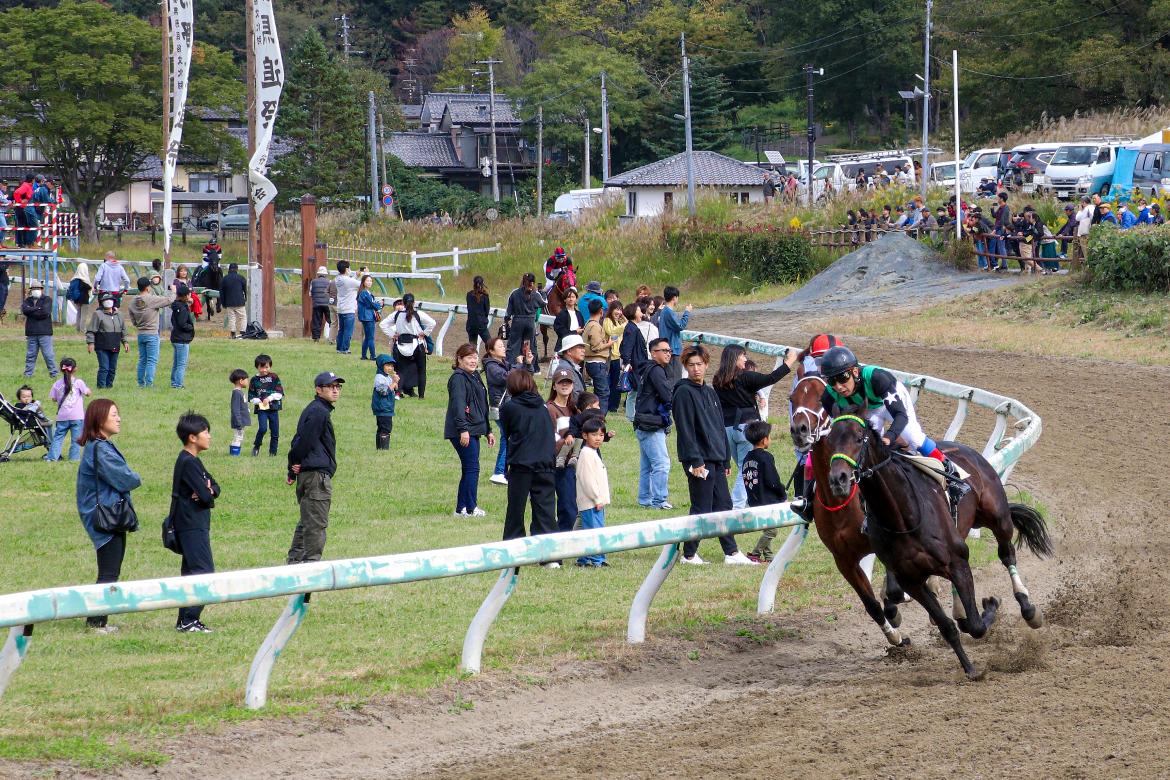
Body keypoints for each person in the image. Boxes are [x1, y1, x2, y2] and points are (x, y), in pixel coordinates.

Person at [818, 345, 970, 516]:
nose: (838, 386)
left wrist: (890, 437)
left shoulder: (877, 378)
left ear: (854, 371)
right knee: (867, 453)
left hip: (890, 405)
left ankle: (950, 472)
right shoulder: (828, 397)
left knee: (913, 438)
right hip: (867, 411)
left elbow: (900, 416)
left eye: (842, 378)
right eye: (832, 381)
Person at [673, 344, 757, 565]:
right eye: (691, 365)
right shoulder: (683, 392)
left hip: (716, 457)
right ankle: (689, 554)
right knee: (701, 506)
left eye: (699, 364)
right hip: (698, 459)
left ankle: (731, 552)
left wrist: (725, 456)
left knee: (724, 504)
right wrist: (695, 460)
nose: (696, 369)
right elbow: (686, 429)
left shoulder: (710, 392)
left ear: (707, 365)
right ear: (685, 366)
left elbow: (719, 426)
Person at [76, 399, 142, 632]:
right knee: (108, 572)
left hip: (110, 516)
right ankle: (95, 623)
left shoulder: (99, 445)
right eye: (113, 414)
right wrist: (135, 476)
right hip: (106, 518)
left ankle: (99, 620)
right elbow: (127, 479)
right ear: (100, 419)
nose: (118, 418)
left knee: (110, 571)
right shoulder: (100, 448)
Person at [712, 344, 799, 509]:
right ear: (735, 358)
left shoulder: (718, 380)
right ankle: (736, 506)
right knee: (746, 468)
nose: (745, 359)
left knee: (743, 467)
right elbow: (771, 378)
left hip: (727, 429)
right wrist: (789, 362)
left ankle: (745, 501)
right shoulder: (745, 377)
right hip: (746, 428)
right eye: (743, 356)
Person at [286, 371, 343, 564]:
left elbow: (298, 439)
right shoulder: (319, 411)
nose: (335, 390)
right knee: (316, 524)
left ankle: (294, 563)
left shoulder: (316, 409)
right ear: (318, 390)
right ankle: (310, 567)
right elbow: (303, 441)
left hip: (310, 474)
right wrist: (294, 463)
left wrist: (293, 466)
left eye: (338, 387)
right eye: (331, 387)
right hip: (315, 477)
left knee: (307, 521)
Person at [170, 412, 220, 633]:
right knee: (203, 571)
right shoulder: (188, 463)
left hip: (193, 522)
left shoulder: (193, 461)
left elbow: (215, 488)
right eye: (205, 432)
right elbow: (208, 497)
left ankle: (184, 621)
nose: (209, 436)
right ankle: (190, 619)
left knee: (190, 573)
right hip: (190, 524)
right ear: (192, 437)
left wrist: (208, 489)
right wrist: (207, 491)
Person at [499, 370, 558, 550]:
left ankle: (514, 548)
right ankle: (548, 552)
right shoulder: (543, 407)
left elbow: (507, 432)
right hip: (545, 463)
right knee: (546, 510)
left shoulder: (509, 407)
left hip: (521, 463)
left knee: (516, 509)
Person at [445, 343, 494, 516]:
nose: (473, 361)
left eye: (475, 357)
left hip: (475, 429)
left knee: (469, 468)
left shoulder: (475, 376)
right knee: (472, 468)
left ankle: (461, 508)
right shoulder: (458, 378)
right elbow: (458, 406)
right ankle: (471, 508)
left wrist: (488, 430)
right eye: (469, 357)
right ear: (459, 359)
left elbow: (482, 406)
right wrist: (463, 430)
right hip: (464, 430)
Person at [633, 337, 675, 510]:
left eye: (669, 351)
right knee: (661, 464)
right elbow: (667, 396)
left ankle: (645, 499)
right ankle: (659, 500)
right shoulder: (656, 370)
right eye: (664, 351)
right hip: (650, 424)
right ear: (653, 353)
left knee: (648, 465)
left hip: (642, 422)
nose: (668, 354)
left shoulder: (647, 369)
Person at [741, 421, 788, 563]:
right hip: (768, 501)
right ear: (764, 440)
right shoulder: (766, 457)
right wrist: (782, 493)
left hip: (755, 500)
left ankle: (769, 557)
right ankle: (755, 553)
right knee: (771, 530)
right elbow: (772, 480)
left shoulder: (747, 458)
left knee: (768, 528)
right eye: (770, 437)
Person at [483, 337, 527, 485]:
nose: (504, 348)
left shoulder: (502, 364)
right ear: (491, 351)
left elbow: (518, 373)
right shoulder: (491, 366)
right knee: (506, 438)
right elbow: (508, 378)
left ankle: (503, 472)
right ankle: (499, 471)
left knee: (508, 437)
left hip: (507, 407)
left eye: (503, 345)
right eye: (500, 346)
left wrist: (526, 362)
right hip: (501, 408)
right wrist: (520, 364)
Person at [575, 417, 611, 568]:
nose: (598, 438)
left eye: (601, 435)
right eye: (594, 435)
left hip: (594, 502)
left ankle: (583, 559)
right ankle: (596, 559)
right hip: (591, 502)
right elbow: (587, 480)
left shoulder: (592, 453)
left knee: (587, 530)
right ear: (585, 436)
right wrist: (597, 499)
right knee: (595, 531)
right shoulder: (586, 454)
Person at [546, 367, 579, 532]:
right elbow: (549, 436)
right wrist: (566, 442)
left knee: (574, 506)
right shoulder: (549, 409)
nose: (564, 386)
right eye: (561, 382)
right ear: (554, 386)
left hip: (574, 464)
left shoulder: (574, 409)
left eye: (568, 382)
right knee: (567, 508)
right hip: (558, 465)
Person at [384, 293, 435, 398]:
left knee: (400, 371)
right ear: (414, 302)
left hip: (401, 345)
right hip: (417, 345)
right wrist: (424, 333)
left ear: (403, 303)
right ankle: (421, 396)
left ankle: (398, 393)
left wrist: (392, 335)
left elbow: (383, 324)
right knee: (421, 371)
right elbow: (432, 323)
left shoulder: (397, 314)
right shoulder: (418, 313)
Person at [127, 276, 175, 388]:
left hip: (141, 334)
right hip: (152, 334)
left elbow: (133, 320)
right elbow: (169, 300)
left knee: (142, 359)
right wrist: (174, 291)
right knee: (151, 360)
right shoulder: (151, 299)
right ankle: (149, 383)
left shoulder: (133, 302)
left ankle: (140, 383)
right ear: (148, 288)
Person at [46, 357, 90, 462]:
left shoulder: (57, 384)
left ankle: (52, 458)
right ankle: (74, 458)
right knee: (76, 439)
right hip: (77, 416)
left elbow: (53, 398)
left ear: (61, 369)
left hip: (62, 417)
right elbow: (88, 393)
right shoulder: (79, 382)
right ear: (75, 369)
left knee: (57, 438)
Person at [86, 294, 127, 389]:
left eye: (110, 300)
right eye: (105, 300)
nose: (108, 302)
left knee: (112, 369)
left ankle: (109, 386)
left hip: (115, 345)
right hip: (102, 346)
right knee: (104, 367)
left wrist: (125, 342)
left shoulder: (119, 315)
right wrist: (91, 343)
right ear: (101, 302)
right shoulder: (97, 314)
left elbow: (123, 330)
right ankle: (101, 387)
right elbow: (91, 330)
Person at [504, 272, 545, 366]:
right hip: (530, 321)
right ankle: (531, 365)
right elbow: (543, 303)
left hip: (517, 321)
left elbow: (509, 311)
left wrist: (506, 320)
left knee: (514, 343)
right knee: (530, 344)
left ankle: (511, 364)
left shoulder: (515, 293)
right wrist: (542, 294)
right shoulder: (535, 294)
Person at [581, 299, 613, 413]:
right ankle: (600, 417)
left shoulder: (588, 323)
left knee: (599, 391)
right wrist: (609, 344)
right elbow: (595, 346)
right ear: (601, 311)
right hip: (596, 362)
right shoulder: (595, 326)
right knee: (603, 392)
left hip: (592, 363)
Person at [248, 353, 284, 456]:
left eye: (266, 367)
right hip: (262, 409)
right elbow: (251, 396)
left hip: (274, 408)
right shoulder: (254, 380)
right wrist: (258, 401)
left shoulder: (274, 377)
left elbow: (279, 393)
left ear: (270, 366)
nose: (264, 370)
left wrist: (269, 398)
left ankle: (273, 453)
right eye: (261, 367)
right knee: (263, 428)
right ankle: (257, 446)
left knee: (275, 432)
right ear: (257, 367)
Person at [21, 279, 57, 379]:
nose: (36, 290)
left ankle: (54, 374)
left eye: (38, 288)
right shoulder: (27, 300)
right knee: (30, 355)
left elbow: (45, 313)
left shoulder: (47, 299)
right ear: (31, 290)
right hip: (31, 332)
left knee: (48, 355)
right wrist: (37, 308)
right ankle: (28, 374)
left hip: (44, 332)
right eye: (34, 288)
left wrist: (31, 311)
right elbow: (25, 310)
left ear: (42, 289)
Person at [619, 301, 649, 423]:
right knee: (634, 392)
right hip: (635, 365)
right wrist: (627, 362)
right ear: (633, 313)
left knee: (635, 391)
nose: (641, 313)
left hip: (638, 364)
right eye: (638, 310)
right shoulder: (631, 328)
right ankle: (631, 417)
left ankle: (633, 415)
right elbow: (626, 347)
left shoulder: (633, 327)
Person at [658, 286, 692, 381]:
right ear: (674, 298)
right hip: (673, 350)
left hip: (667, 348)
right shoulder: (669, 312)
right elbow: (680, 326)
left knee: (671, 376)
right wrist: (687, 312)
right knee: (675, 378)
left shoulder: (664, 311)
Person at [169, 284, 195, 389]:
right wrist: (191, 327)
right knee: (181, 364)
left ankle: (174, 382)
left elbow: (173, 320)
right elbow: (182, 323)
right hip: (182, 339)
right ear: (185, 296)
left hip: (175, 337)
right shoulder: (182, 308)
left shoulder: (176, 306)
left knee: (176, 363)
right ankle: (178, 384)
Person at [333, 261, 361, 354]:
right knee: (348, 331)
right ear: (346, 269)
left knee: (341, 330)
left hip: (340, 308)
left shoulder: (338, 279)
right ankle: (345, 348)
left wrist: (356, 276)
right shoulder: (348, 280)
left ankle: (339, 348)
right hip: (349, 309)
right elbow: (362, 284)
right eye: (349, 268)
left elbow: (350, 282)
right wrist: (365, 274)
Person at [603, 301, 626, 413]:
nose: (618, 312)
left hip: (617, 356)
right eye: (616, 309)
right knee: (607, 381)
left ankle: (614, 406)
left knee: (616, 382)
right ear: (611, 310)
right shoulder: (607, 321)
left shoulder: (619, 322)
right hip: (609, 356)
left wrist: (624, 319)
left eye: (620, 309)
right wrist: (624, 324)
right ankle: (606, 404)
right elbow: (612, 332)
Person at [372, 354, 398, 451]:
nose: (390, 368)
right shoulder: (379, 377)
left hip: (387, 407)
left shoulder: (387, 377)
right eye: (387, 365)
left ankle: (380, 448)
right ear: (381, 366)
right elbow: (384, 391)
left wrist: (395, 381)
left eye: (391, 366)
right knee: (385, 428)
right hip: (383, 408)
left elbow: (395, 389)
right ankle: (383, 449)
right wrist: (394, 383)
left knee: (382, 428)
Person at [356, 274, 383, 361]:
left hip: (366, 316)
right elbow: (372, 304)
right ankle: (373, 355)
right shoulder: (364, 293)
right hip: (368, 317)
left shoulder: (365, 292)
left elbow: (371, 303)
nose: (369, 282)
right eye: (367, 280)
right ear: (363, 282)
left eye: (371, 281)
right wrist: (379, 305)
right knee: (370, 337)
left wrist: (376, 305)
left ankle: (364, 355)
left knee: (367, 337)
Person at [226, 368, 252, 456]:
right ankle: (234, 454)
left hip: (241, 421)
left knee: (239, 437)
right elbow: (235, 409)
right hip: (239, 422)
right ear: (241, 381)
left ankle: (235, 453)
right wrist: (239, 422)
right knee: (238, 437)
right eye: (246, 380)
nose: (248, 382)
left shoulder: (239, 392)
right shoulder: (237, 393)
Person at [551, 287, 582, 358]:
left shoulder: (579, 314)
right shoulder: (561, 314)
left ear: (576, 299)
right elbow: (559, 331)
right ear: (565, 300)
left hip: (577, 344)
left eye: (573, 297)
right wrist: (575, 332)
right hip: (564, 345)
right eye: (568, 297)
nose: (571, 299)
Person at [219, 263, 247, 338]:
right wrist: (245, 298)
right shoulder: (241, 278)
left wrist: (223, 303)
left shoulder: (224, 279)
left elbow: (221, 292)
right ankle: (242, 333)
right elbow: (245, 290)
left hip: (229, 302)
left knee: (231, 318)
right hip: (240, 302)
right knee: (242, 317)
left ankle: (233, 334)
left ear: (229, 269)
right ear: (237, 269)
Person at [555, 334, 587, 398]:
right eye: (580, 347)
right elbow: (572, 396)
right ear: (569, 351)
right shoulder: (565, 368)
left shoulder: (570, 366)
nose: (583, 350)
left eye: (583, 347)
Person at [66, 263, 93, 333]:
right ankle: (82, 329)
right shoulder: (84, 281)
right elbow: (89, 287)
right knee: (84, 315)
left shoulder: (74, 279)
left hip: (77, 299)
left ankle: (78, 328)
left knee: (78, 314)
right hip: (84, 299)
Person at [465, 276, 491, 349]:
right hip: (481, 324)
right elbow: (487, 311)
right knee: (490, 344)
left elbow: (469, 307)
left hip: (471, 324)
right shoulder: (485, 296)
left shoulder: (469, 295)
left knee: (472, 345)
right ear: (483, 284)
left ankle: (471, 358)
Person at [309, 266, 332, 342]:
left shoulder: (313, 282)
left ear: (318, 274)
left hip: (317, 304)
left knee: (316, 320)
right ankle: (330, 336)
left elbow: (310, 293)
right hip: (327, 304)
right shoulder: (329, 282)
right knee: (330, 320)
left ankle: (316, 338)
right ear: (325, 274)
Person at [1073, 195, 1094, 270]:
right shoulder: (1093, 207)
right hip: (1089, 232)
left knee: (1086, 253)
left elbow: (1078, 218)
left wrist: (1080, 210)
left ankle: (1089, 269)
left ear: (1083, 203)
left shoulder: (1086, 209)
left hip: (1085, 234)